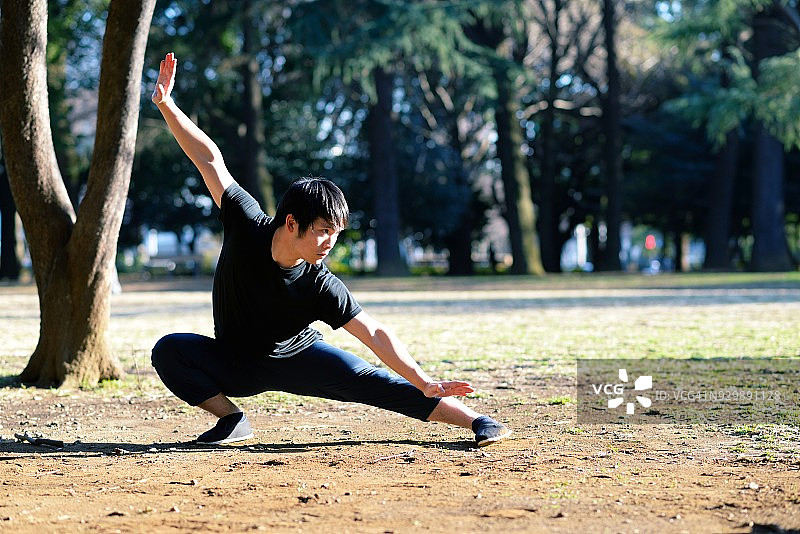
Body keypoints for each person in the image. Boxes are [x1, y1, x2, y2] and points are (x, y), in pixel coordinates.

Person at [149, 52, 511, 448]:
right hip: (235, 364)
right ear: (291, 222)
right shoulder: (245, 223)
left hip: (299, 359)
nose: (329, 243)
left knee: (376, 384)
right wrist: (167, 105)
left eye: (335, 233)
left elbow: (372, 330)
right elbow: (209, 158)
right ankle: (232, 420)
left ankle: (478, 421)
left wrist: (424, 380)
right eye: (322, 231)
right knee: (170, 350)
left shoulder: (319, 284)